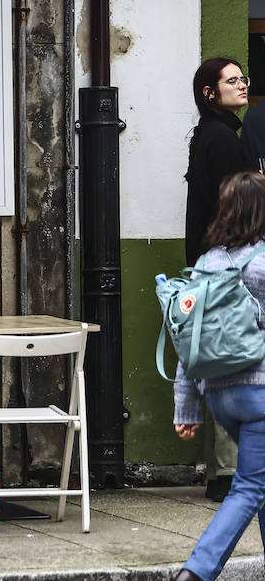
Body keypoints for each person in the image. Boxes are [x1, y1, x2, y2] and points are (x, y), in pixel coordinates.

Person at [172, 171, 265, 581]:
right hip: (260, 392)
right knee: (248, 488)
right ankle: (196, 571)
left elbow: (187, 339)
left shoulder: (206, 264)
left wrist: (186, 406)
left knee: (261, 484)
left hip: (219, 396)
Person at [186, 58, 253, 501]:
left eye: (243, 78)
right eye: (232, 81)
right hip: (232, 265)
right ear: (211, 92)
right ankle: (230, 475)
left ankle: (223, 472)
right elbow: (239, 209)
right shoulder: (224, 140)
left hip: (211, 264)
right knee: (238, 364)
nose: (243, 85)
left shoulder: (209, 135)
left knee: (221, 361)